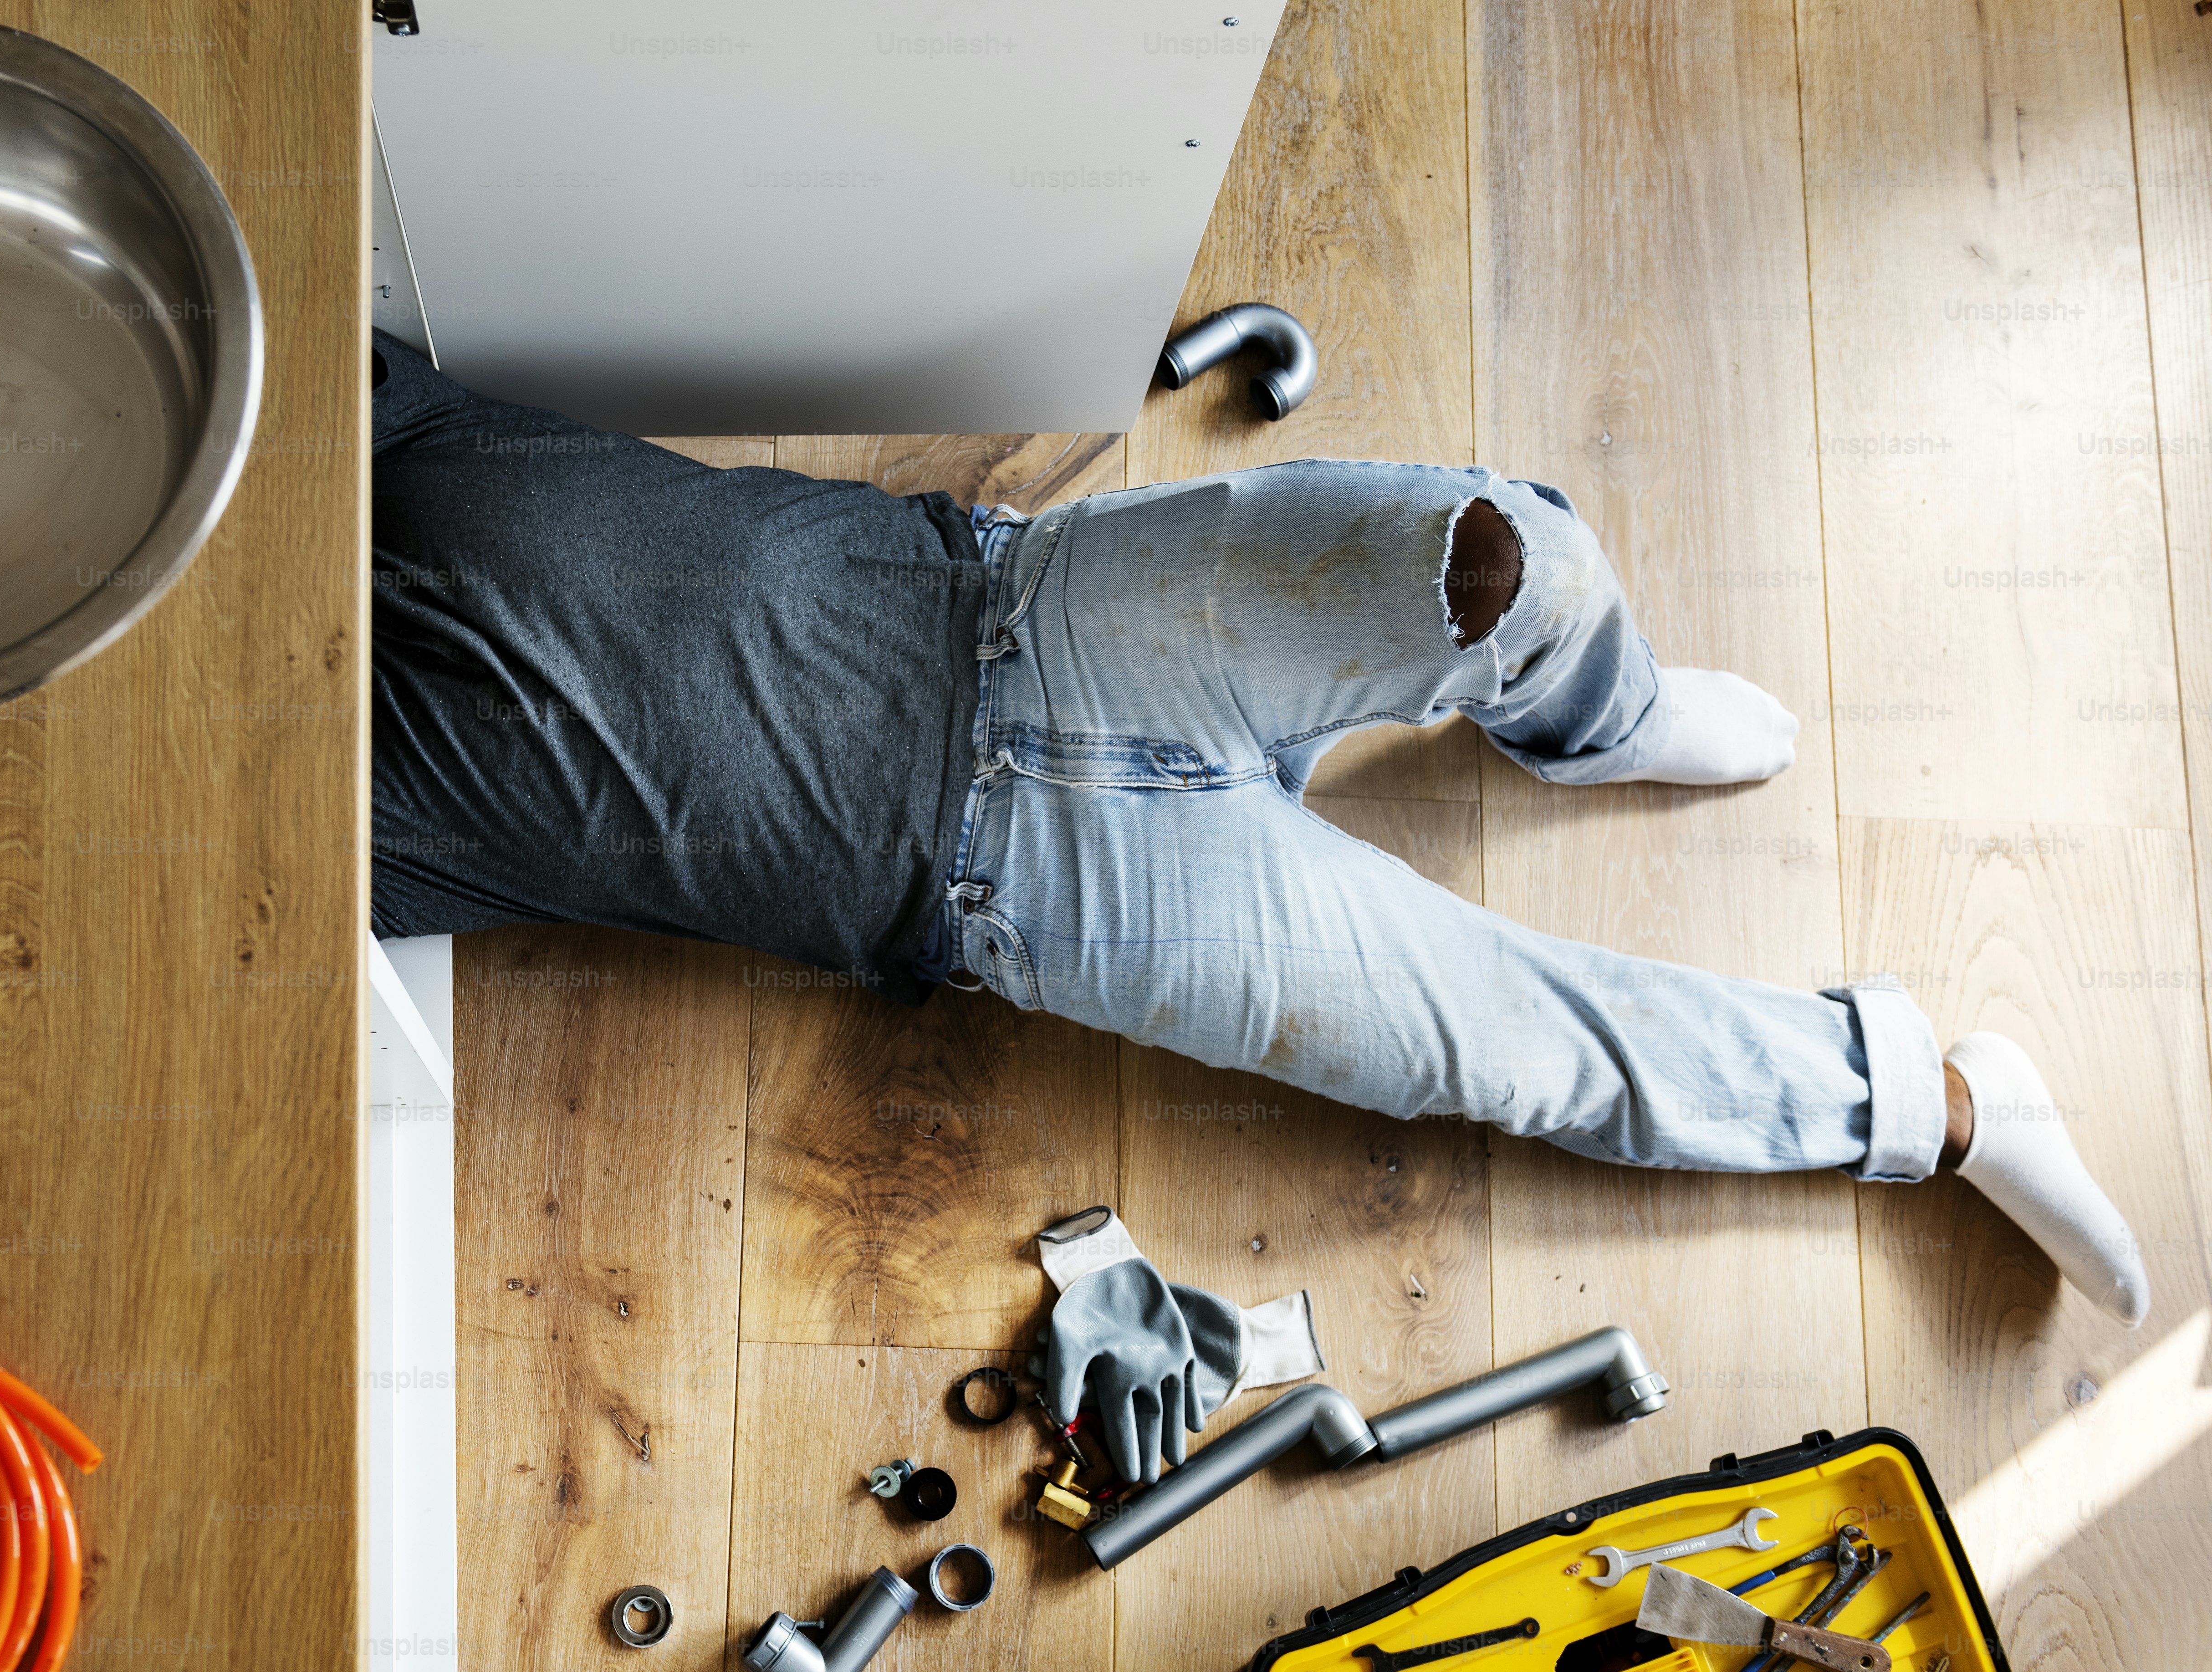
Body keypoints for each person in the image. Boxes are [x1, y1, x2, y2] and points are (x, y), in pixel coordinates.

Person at [367, 331, 2149, 1329]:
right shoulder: (313, 819)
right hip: (1038, 900)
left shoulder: (340, 432)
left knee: (1499, 555)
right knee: (1522, 1051)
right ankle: (1942, 1098)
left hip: (1039, 607)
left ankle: (1588, 713)